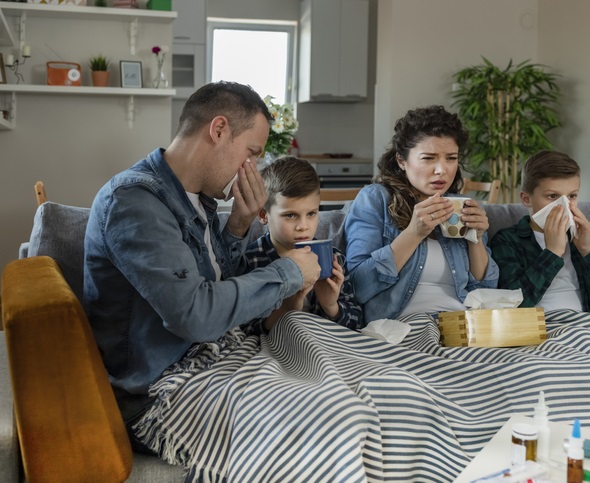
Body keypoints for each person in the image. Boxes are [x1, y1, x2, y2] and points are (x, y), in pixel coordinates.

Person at [83, 81, 321, 448]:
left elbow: (215, 283)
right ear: (219, 129)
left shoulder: (194, 198)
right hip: (157, 393)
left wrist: (239, 224)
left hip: (209, 362)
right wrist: (289, 272)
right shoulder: (133, 201)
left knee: (344, 384)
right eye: (252, 153)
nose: (253, 168)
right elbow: (196, 314)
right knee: (319, 421)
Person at [344, 105, 499, 323]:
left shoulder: (461, 206)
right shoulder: (375, 199)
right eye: (428, 158)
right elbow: (357, 287)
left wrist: (476, 239)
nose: (441, 170)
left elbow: (485, 289)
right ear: (401, 160)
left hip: (463, 326)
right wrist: (414, 233)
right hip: (401, 327)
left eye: (451, 158)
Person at [489, 150, 590, 315]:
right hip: (543, 327)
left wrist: (588, 251)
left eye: (572, 196)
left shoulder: (582, 238)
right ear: (526, 199)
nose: (564, 205)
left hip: (587, 324)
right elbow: (513, 307)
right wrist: (552, 252)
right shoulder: (508, 241)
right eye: (553, 196)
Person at [243, 156, 364, 333]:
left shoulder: (333, 258)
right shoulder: (250, 261)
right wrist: (284, 311)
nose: (303, 226)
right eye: (290, 215)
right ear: (263, 215)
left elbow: (357, 322)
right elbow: (242, 328)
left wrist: (331, 306)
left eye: (311, 214)